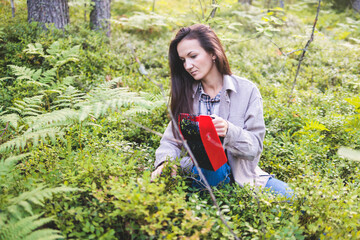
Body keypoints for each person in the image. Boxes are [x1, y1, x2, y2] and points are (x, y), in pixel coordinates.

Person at [151, 24, 292, 197]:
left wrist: (229, 131)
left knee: (288, 195)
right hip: (202, 173)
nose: (188, 65)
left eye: (193, 56)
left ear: (212, 53)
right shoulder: (187, 95)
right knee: (209, 161)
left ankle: (225, 196)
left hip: (244, 176)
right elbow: (170, 141)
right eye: (183, 60)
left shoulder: (247, 91)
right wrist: (164, 163)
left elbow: (254, 146)